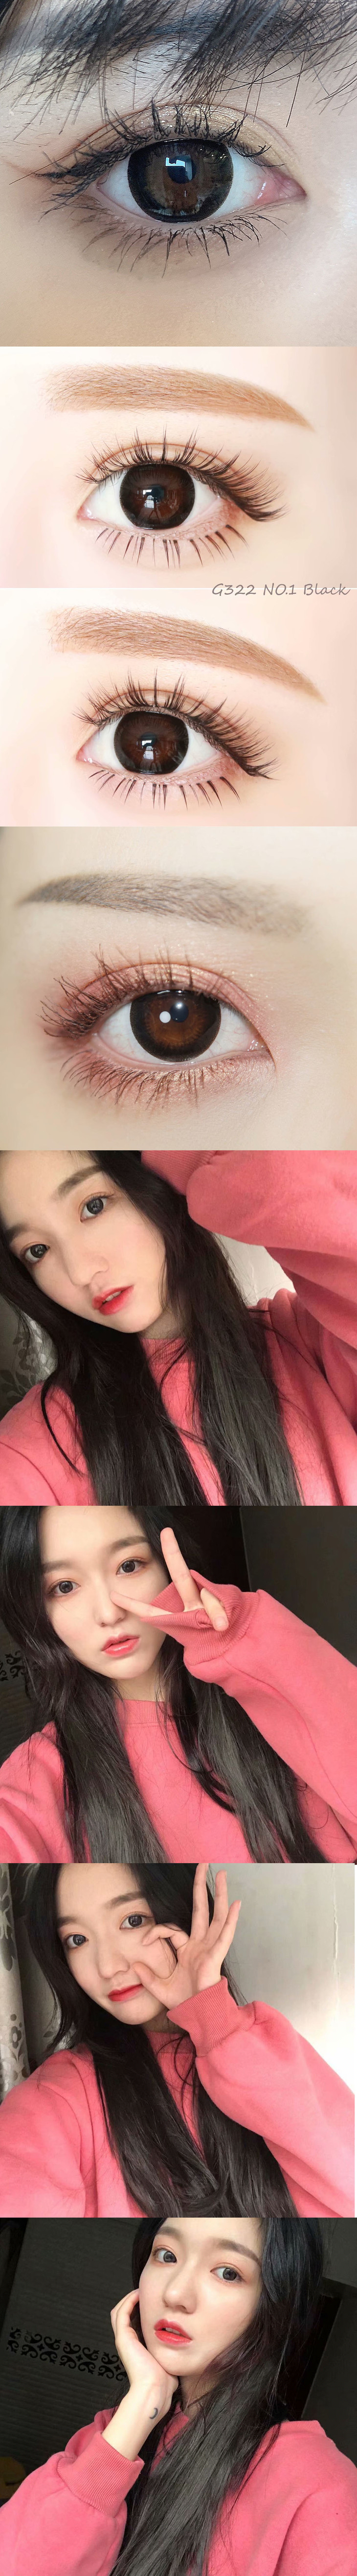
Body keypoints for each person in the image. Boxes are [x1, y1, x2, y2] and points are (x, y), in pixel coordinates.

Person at [2, 2214, 357, 2576]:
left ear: (275, 2307)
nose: (175, 2294)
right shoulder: (114, 2436)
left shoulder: (318, 2486)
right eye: (167, 2255)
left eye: (228, 2273)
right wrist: (142, 2403)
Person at [0, 1150, 356, 1505]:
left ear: (151, 1180)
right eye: (37, 1250)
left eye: (94, 1206)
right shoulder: (31, 1446)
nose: (80, 1272)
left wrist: (184, 1152)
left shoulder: (311, 1339)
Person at [0, 1861, 353, 2218]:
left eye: (133, 1921)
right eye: (77, 1940)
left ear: (182, 1911)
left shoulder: (260, 2049)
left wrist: (214, 2022)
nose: (108, 1967)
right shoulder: (58, 2097)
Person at [0, 1509, 356, 1863]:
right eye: (64, 1587)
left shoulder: (261, 1688)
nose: (109, 1614)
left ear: (168, 1567)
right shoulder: (37, 1779)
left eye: (129, 1566)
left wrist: (242, 1643)